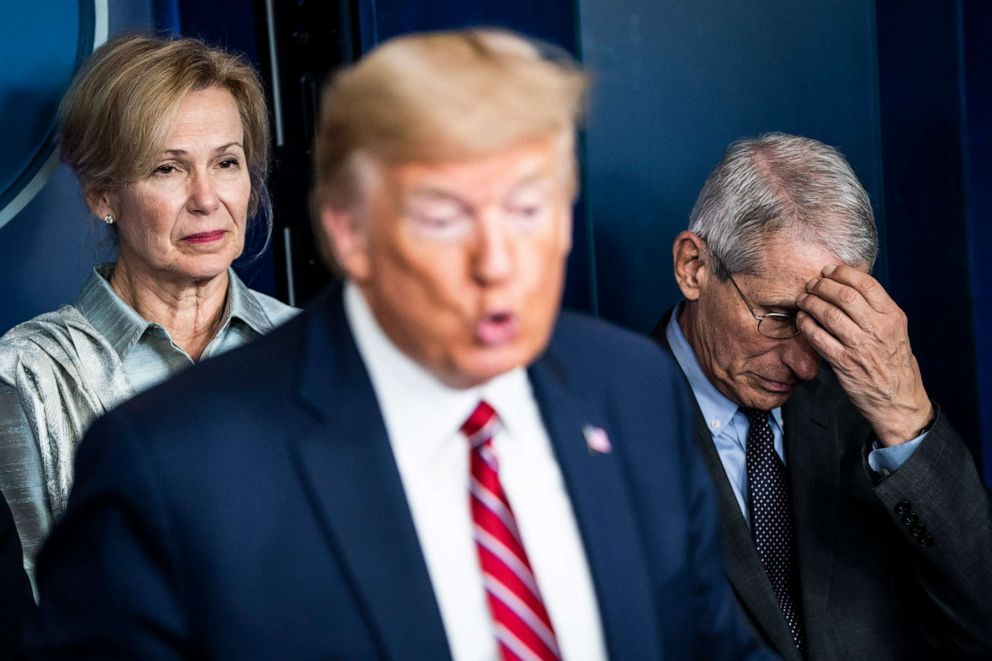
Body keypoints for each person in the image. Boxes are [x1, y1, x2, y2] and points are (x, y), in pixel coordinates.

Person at [23, 30, 771, 659]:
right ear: (350, 230)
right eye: (446, 216)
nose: (498, 262)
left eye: (530, 207)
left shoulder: (632, 390)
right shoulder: (172, 459)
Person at [651, 132, 992, 660]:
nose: (807, 364)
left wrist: (906, 418)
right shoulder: (614, 415)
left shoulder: (867, 407)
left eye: (827, 323)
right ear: (693, 266)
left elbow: (982, 618)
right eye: (781, 317)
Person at [0, 34, 297, 588]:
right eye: (168, 168)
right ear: (102, 194)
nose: (207, 199)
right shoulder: (24, 375)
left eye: (226, 162)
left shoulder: (311, 348)